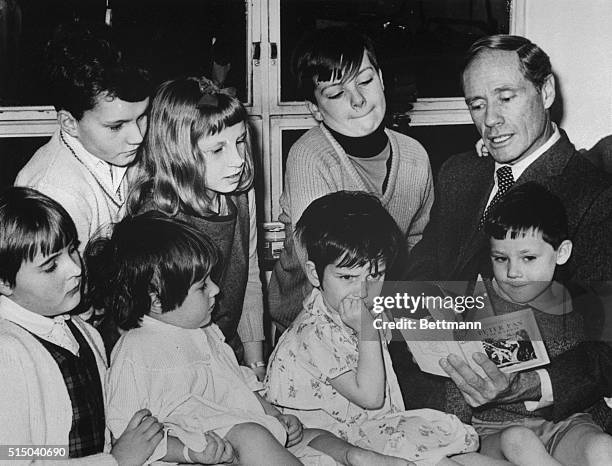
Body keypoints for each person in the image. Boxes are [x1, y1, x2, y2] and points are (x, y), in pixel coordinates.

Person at [390, 34, 612, 435]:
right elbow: (419, 276)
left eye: (505, 97)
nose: (490, 119)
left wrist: (526, 386)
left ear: (545, 91)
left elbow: (606, 346)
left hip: (543, 418)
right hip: (433, 401)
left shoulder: (593, 193)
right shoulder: (459, 175)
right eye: (477, 104)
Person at [94, 212, 414, 466]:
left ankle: (350, 455)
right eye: (202, 286)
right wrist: (188, 452)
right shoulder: (136, 350)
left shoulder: (206, 332)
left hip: (238, 424)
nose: (217, 292)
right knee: (254, 437)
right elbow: (130, 431)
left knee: (312, 434)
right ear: (157, 300)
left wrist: (272, 411)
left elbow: (238, 384)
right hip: (203, 444)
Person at [265, 191, 487, 466]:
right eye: (347, 277)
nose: (362, 290)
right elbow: (369, 397)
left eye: (374, 275)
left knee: (466, 458)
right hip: (327, 442)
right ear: (314, 274)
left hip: (364, 428)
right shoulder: (314, 332)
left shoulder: (357, 306)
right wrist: (367, 330)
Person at [268, 26, 434, 329]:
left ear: (381, 79)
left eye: (366, 81)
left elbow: (419, 245)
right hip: (311, 321)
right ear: (315, 109)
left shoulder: (415, 156)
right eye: (336, 93)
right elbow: (322, 269)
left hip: (383, 315)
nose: (358, 100)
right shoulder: (310, 156)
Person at [0, 187, 163, 465]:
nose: (75, 268)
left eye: (72, 250)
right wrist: (115, 461)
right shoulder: (8, 352)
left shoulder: (84, 332)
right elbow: (12, 455)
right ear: (4, 282)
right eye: (51, 265)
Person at [126, 77, 264, 373]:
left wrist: (256, 363)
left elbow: (249, 276)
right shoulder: (160, 218)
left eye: (239, 141)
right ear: (178, 154)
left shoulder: (240, 192)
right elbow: (158, 328)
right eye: (217, 149)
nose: (238, 160)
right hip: (179, 366)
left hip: (229, 354)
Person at [470, 182, 612, 466]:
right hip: (496, 430)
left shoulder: (582, 305)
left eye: (528, 258)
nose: (512, 271)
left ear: (561, 253)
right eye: (500, 258)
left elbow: (589, 374)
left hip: (563, 422)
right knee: (520, 443)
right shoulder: (476, 300)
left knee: (602, 448)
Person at [15, 23, 151, 253]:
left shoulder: (114, 149)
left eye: (142, 117)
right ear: (69, 123)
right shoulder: (55, 193)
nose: (137, 137)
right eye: (116, 126)